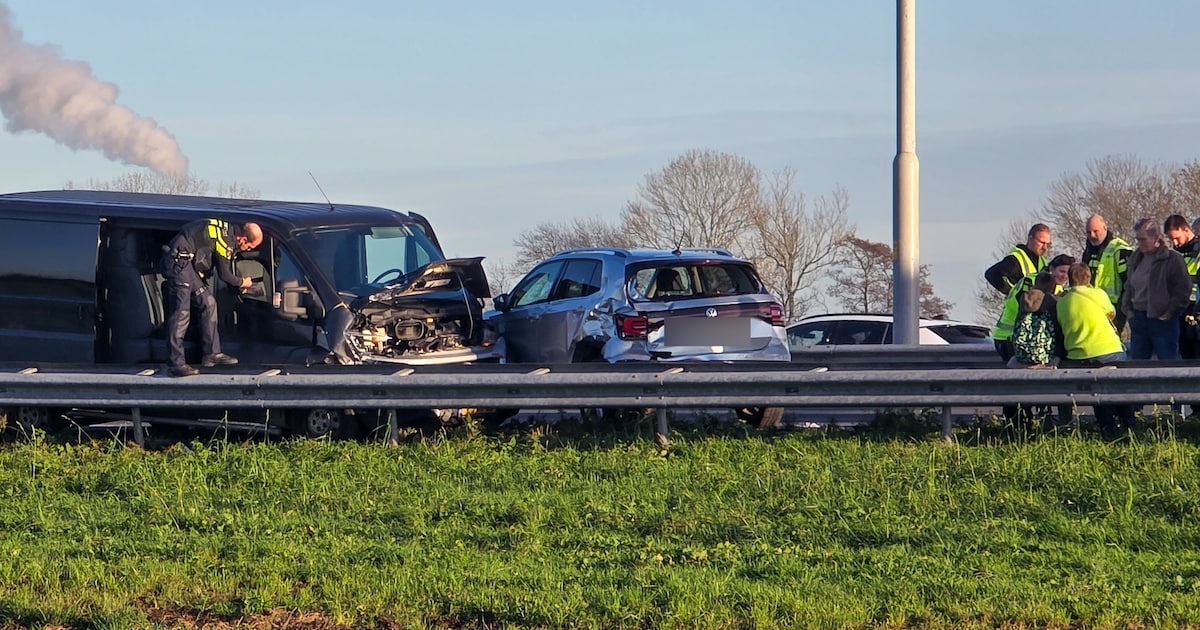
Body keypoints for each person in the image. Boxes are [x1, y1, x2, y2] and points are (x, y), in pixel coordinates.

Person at [160, 218, 264, 376]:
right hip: (178, 262)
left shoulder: (226, 230)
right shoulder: (226, 240)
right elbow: (225, 275)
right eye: (250, 246)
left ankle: (212, 354)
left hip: (187, 263)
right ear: (242, 238)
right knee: (181, 313)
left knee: (208, 302)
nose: (248, 249)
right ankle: (176, 363)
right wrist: (243, 282)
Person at [1056, 263, 1137, 437]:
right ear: (1089, 278)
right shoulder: (1098, 294)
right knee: (1120, 388)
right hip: (1109, 351)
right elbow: (1111, 313)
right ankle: (1130, 425)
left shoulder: (1062, 303)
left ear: (1069, 280)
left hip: (1079, 355)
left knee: (1096, 393)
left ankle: (1107, 429)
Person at [991, 253, 1074, 426]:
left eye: (1068, 273)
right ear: (1051, 269)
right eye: (1061, 271)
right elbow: (1032, 307)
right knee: (1020, 385)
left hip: (1022, 340)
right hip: (1010, 337)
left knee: (1030, 383)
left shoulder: (1053, 287)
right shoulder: (1034, 283)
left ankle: (1030, 422)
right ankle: (1020, 424)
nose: (1064, 276)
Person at [1120, 218, 1192, 361]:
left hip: (1163, 320)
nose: (1140, 244)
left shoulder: (1172, 259)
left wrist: (1170, 312)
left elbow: (1183, 288)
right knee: (1138, 365)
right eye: (1138, 240)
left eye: (1143, 239)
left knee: (1168, 364)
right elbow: (1129, 286)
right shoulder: (1135, 259)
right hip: (1138, 318)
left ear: (1155, 238)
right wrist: (1128, 310)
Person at [1079, 213, 1131, 333]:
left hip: (1113, 309)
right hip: (1092, 307)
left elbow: (1129, 284)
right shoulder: (1088, 250)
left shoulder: (1120, 249)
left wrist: (1121, 314)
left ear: (1105, 228)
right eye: (1088, 232)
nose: (1092, 235)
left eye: (1095, 231)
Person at [1163, 214, 1200, 358]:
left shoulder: (1196, 250)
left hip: (1194, 307)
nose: (1175, 243)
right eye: (1171, 239)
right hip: (1179, 309)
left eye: (1176, 238)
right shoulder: (1173, 254)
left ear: (1185, 230)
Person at [985, 223, 1051, 295]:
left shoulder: (1043, 262)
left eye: (1047, 244)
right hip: (1020, 305)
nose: (1045, 247)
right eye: (1042, 242)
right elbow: (991, 274)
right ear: (1030, 238)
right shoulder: (1016, 258)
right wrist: (1013, 293)